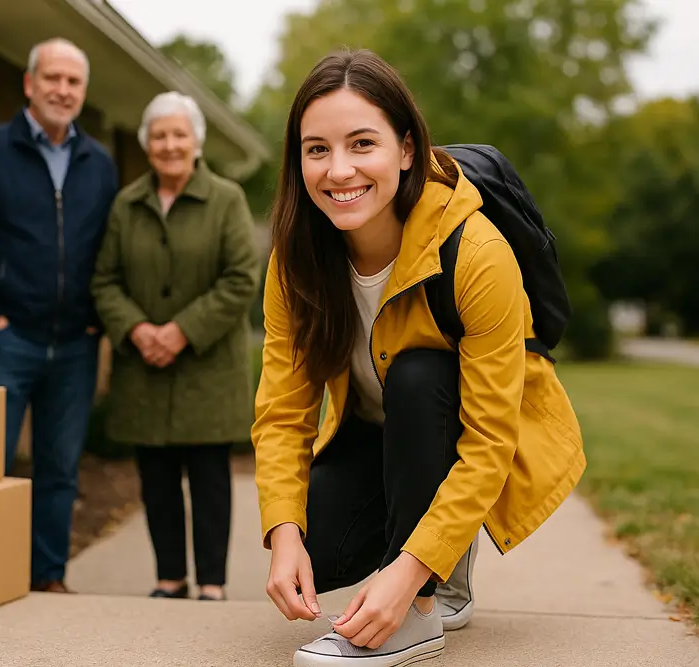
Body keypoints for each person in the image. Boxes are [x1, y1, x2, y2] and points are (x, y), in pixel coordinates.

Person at [251, 49, 586, 667]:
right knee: (316, 548)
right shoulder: (295, 260)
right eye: (317, 149)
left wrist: (408, 579)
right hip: (374, 432)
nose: (339, 169)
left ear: (406, 150)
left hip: (449, 424)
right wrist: (283, 533)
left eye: (362, 143)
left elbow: (489, 441)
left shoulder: (477, 252)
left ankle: (428, 599)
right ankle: (420, 552)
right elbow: (281, 411)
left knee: (417, 373)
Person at [0, 37, 119, 594]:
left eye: (74, 82)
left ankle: (47, 578)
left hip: (75, 346)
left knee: (60, 471)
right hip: (7, 340)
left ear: (83, 92)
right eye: (53, 78)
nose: (63, 90)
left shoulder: (100, 165)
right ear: (30, 84)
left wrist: (96, 320)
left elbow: (111, 251)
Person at [90, 91, 261, 602]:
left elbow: (240, 278)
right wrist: (139, 330)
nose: (169, 144)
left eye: (178, 134)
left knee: (209, 481)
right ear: (146, 144)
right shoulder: (127, 204)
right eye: (159, 135)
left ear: (196, 142)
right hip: (145, 367)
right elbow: (104, 280)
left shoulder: (227, 199)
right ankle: (169, 577)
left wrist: (182, 330)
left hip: (207, 366)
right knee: (157, 479)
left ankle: (212, 582)